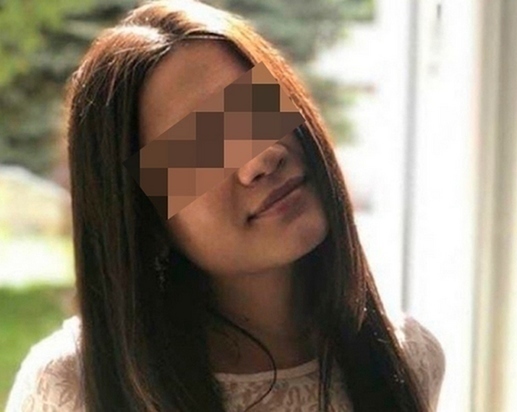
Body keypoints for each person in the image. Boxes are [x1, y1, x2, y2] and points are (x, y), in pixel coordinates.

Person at [6, 0, 445, 411]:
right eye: (203, 147)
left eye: (255, 110)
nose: (262, 157)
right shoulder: (72, 388)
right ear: (142, 216)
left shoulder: (408, 356)